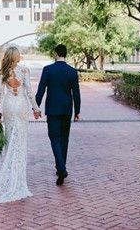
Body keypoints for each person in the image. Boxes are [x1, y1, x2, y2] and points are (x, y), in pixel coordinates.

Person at [0, 47, 42, 203]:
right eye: (18, 54)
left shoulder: (2, 72)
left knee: (10, 140)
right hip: (21, 107)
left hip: (8, 106)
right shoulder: (25, 71)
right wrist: (36, 108)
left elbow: (0, 95)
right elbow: (29, 93)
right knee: (20, 142)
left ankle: (9, 174)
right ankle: (18, 180)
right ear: (16, 57)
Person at [35, 44, 81, 186]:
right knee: (64, 139)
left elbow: (41, 89)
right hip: (67, 110)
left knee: (54, 138)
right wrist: (77, 111)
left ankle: (61, 168)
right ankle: (60, 168)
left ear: (55, 53)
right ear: (65, 54)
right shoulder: (72, 71)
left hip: (53, 110)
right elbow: (76, 93)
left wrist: (36, 107)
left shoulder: (48, 69)